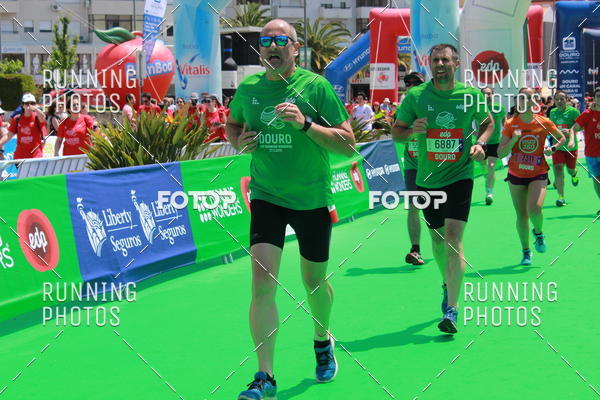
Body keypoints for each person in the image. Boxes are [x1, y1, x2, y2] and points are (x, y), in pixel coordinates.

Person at [226, 18, 355, 400]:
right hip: (267, 195)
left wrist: (305, 124)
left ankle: (322, 337)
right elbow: (232, 126)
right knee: (262, 281)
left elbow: (348, 143)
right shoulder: (248, 89)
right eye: (266, 40)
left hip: (311, 198)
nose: (273, 46)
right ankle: (264, 375)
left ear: (296, 49)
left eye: (281, 40)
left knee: (313, 282)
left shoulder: (316, 88)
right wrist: (240, 141)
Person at [392, 44, 493, 334]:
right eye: (435, 60)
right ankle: (447, 283)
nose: (439, 64)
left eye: (445, 60)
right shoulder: (416, 96)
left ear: (456, 63)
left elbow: (487, 123)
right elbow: (396, 133)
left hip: (460, 174)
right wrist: (412, 131)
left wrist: (480, 144)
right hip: (428, 179)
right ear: (430, 63)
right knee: (437, 241)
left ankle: (452, 309)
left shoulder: (469, 95)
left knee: (452, 239)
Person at [497, 87, 565, 265]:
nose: (526, 101)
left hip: (538, 172)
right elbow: (500, 153)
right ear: (517, 102)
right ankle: (526, 251)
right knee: (522, 216)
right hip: (516, 174)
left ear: (536, 101)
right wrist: (513, 140)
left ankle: (539, 233)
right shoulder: (510, 124)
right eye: (522, 98)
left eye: (529, 98)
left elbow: (561, 138)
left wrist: (553, 148)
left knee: (535, 209)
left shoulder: (543, 122)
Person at [400, 71, 426, 266]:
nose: (411, 86)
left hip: (434, 166)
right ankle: (415, 249)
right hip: (412, 166)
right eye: (407, 84)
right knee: (413, 207)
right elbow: (399, 136)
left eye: (415, 83)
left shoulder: (432, 106)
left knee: (437, 208)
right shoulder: (404, 110)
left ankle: (445, 243)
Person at [548, 90, 580, 206]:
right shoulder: (552, 112)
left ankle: (574, 173)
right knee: (558, 169)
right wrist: (555, 133)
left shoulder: (573, 112)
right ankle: (561, 197)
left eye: (562, 99)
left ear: (566, 100)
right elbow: (550, 128)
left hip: (571, 147)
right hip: (557, 146)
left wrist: (570, 131)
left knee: (570, 170)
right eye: (557, 99)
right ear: (554, 101)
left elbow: (581, 126)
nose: (559, 101)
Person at [571, 87, 600, 215]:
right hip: (591, 154)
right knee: (597, 180)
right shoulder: (587, 114)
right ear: (594, 98)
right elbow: (574, 128)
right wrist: (571, 140)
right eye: (598, 96)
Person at [480, 87, 506, 205]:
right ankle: (487, 177)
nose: (487, 96)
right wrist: (476, 134)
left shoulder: (499, 108)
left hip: (495, 142)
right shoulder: (478, 108)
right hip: (481, 143)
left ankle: (489, 193)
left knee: (491, 167)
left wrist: (506, 138)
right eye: (484, 94)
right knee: (484, 168)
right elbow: (469, 123)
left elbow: (505, 124)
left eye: (489, 94)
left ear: (493, 95)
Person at [0, 93, 46, 160]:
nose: (29, 105)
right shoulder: (17, 119)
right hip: (20, 156)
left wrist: (36, 109)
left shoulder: (37, 117)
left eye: (32, 103)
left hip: (35, 156)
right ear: (23, 105)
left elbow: (43, 117)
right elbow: (8, 135)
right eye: (27, 103)